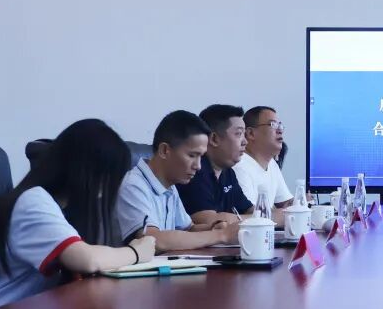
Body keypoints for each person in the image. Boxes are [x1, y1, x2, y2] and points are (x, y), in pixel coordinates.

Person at [0, 119, 156, 309]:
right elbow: (87, 259)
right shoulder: (32, 202)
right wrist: (136, 252)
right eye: (110, 177)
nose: (112, 187)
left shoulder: (58, 206)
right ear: (87, 171)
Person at [115, 110, 239, 250]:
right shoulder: (133, 185)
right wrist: (221, 235)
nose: (198, 166)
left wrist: (214, 228)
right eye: (192, 155)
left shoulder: (169, 185)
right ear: (164, 150)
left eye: (201, 157)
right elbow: (152, 240)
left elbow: (188, 229)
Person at [177, 104, 254, 226]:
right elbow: (210, 221)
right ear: (214, 139)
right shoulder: (195, 170)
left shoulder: (227, 171)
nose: (245, 141)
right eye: (239, 134)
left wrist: (265, 216)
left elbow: (249, 210)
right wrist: (257, 219)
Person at [233, 106, 294, 224]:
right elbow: (253, 215)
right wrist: (286, 213)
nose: (280, 130)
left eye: (280, 125)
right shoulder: (239, 165)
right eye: (273, 125)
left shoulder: (272, 164)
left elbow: (285, 203)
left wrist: (301, 204)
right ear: (250, 133)